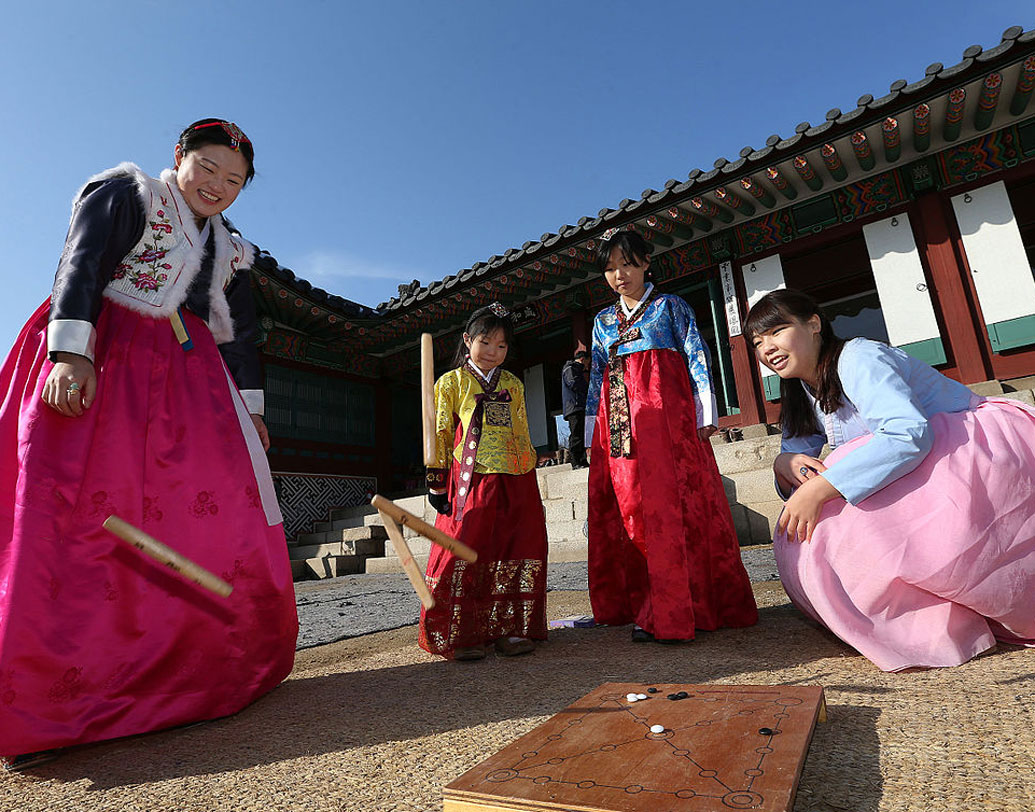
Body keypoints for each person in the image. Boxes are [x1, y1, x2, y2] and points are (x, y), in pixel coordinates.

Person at [0, 119, 298, 769]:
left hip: (193, 385)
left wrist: (250, 412)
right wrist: (71, 355)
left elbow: (241, 337)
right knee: (82, 518)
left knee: (212, 522)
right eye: (209, 168)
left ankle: (197, 674)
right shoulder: (125, 194)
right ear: (178, 158)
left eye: (234, 180)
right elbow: (79, 264)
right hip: (107, 358)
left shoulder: (233, 250)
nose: (218, 186)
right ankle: (68, 692)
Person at [746, 289, 1035, 671]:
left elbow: (908, 433)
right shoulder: (800, 389)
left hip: (971, 447)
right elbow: (797, 453)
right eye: (757, 341)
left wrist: (818, 489)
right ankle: (920, 621)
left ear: (814, 324)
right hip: (921, 460)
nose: (768, 347)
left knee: (837, 488)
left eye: (778, 331)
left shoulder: (859, 356)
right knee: (823, 500)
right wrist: (786, 462)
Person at [584, 228, 757, 643]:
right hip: (622, 428)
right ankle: (645, 606)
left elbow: (698, 354)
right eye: (609, 268)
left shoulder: (669, 308)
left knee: (678, 507)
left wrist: (705, 411)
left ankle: (685, 607)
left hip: (669, 423)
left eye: (627, 264)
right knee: (633, 512)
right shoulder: (603, 322)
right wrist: (593, 433)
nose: (619, 275)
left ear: (646, 263)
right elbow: (596, 378)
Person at [418, 303, 548, 661]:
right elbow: (440, 432)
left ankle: (510, 629)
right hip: (471, 480)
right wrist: (436, 482)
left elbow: (522, 431)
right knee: (465, 550)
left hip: (516, 477)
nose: (493, 352)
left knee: (515, 548)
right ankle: (463, 633)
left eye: (502, 346)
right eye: (485, 342)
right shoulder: (452, 383)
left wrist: (530, 471)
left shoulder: (512, 384)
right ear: (467, 340)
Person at [561, 348, 591, 468]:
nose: (587, 366)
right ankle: (576, 461)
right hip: (574, 406)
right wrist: (587, 388)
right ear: (583, 359)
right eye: (587, 363)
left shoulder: (575, 369)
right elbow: (574, 383)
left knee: (582, 434)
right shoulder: (570, 368)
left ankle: (582, 460)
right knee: (576, 435)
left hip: (578, 406)